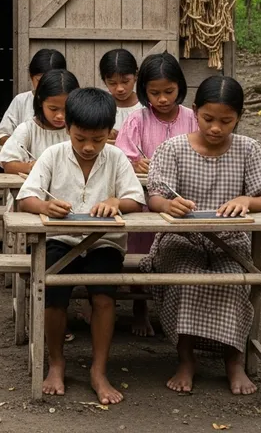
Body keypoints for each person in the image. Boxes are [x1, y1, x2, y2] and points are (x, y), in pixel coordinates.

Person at [143, 76, 261, 396]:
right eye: (208, 119)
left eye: (226, 121)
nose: (216, 128)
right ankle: (186, 360)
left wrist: (247, 200)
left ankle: (234, 360)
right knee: (186, 279)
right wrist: (168, 204)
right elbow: (155, 197)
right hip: (181, 238)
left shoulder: (249, 150)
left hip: (231, 239)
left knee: (235, 280)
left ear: (239, 118)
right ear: (195, 112)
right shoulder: (173, 149)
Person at [16, 88, 145, 404]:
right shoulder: (52, 155)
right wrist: (45, 207)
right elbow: (25, 198)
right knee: (53, 295)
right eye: (80, 138)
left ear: (109, 134)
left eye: (98, 140)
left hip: (104, 243)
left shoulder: (115, 158)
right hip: (60, 240)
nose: (89, 147)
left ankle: (99, 371)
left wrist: (116, 201)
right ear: (67, 128)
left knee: (103, 297)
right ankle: (57, 363)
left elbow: (136, 199)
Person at [114, 51, 196, 337]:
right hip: (147, 201)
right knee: (141, 250)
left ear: (180, 88)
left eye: (169, 91)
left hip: (184, 199)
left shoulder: (192, 118)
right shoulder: (138, 120)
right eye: (155, 92)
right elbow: (120, 154)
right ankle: (140, 308)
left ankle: (181, 311)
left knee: (183, 252)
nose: (162, 99)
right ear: (144, 91)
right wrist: (136, 161)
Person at [0, 69, 78, 174]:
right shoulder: (27, 129)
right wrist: (32, 166)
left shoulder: (80, 129)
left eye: (66, 109)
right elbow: (8, 165)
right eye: (53, 109)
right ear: (40, 101)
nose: (60, 116)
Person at [0, 49, 67, 145]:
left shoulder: (73, 101)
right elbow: (1, 136)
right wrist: (20, 145)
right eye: (39, 80)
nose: (44, 87)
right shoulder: (21, 101)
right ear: (31, 76)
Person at [99, 48, 142, 142]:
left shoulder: (145, 107)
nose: (120, 89)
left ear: (136, 76)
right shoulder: (98, 105)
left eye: (125, 81)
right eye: (112, 83)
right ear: (104, 81)